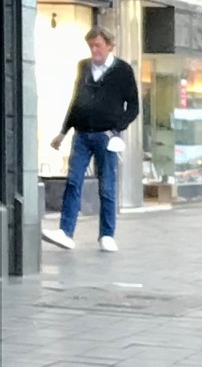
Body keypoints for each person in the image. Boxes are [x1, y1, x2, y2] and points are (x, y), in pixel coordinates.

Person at [43, 26, 139, 252]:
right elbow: (77, 100)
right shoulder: (84, 66)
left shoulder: (123, 70)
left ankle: (107, 234)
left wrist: (116, 129)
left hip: (106, 135)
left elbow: (133, 106)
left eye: (98, 45)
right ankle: (66, 232)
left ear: (109, 46)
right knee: (73, 181)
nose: (94, 50)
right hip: (82, 134)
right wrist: (63, 131)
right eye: (91, 46)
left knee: (107, 185)